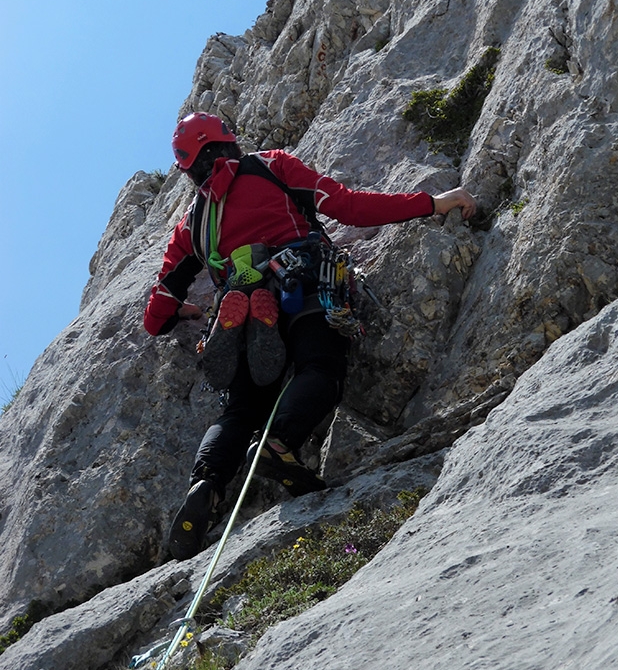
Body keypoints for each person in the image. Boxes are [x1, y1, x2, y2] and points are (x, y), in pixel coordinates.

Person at [144, 112, 476, 560]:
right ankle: (279, 442)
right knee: (321, 364)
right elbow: (348, 207)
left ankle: (207, 483)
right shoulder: (271, 165)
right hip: (303, 281)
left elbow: (155, 314)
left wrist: (182, 311)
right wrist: (432, 202)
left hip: (238, 306)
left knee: (241, 409)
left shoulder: (191, 226)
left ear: (189, 169)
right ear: (227, 143)